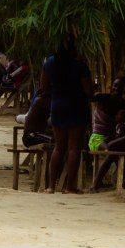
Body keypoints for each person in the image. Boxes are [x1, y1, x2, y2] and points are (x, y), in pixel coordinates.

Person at [40, 36, 93, 193]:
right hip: (76, 106)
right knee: (73, 147)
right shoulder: (80, 66)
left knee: (59, 146)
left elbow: (43, 87)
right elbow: (88, 91)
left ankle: (51, 186)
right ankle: (70, 186)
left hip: (58, 105)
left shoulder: (49, 63)